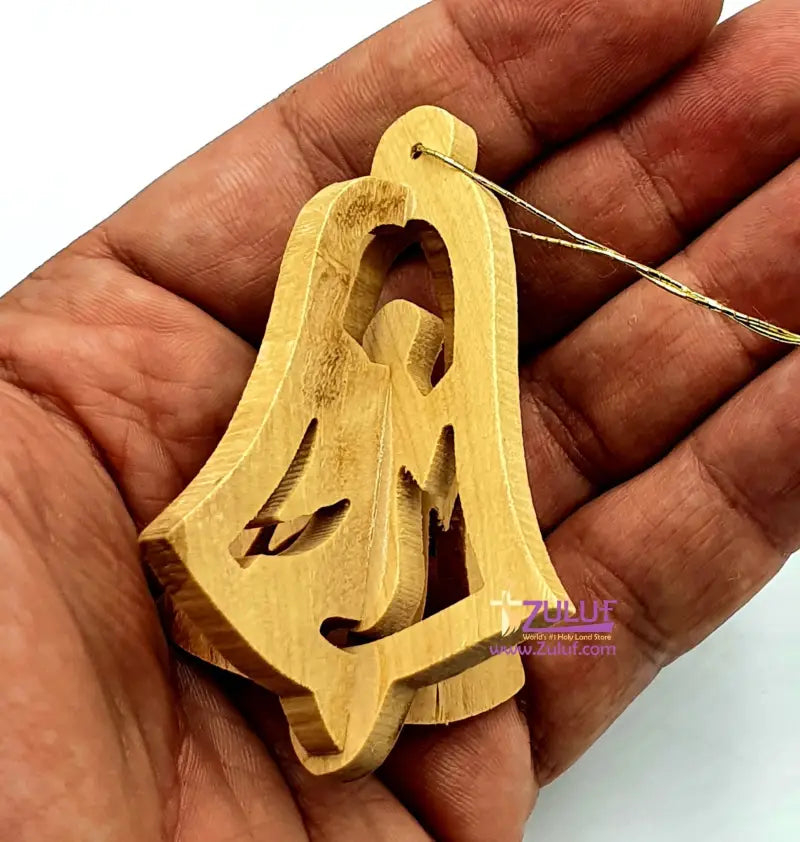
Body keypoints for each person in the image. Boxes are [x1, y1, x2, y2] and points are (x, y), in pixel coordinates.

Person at [1, 0, 797, 838]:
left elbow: (441, 499)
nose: (408, 337)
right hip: (330, 545)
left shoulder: (420, 410)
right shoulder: (346, 377)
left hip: (373, 555)